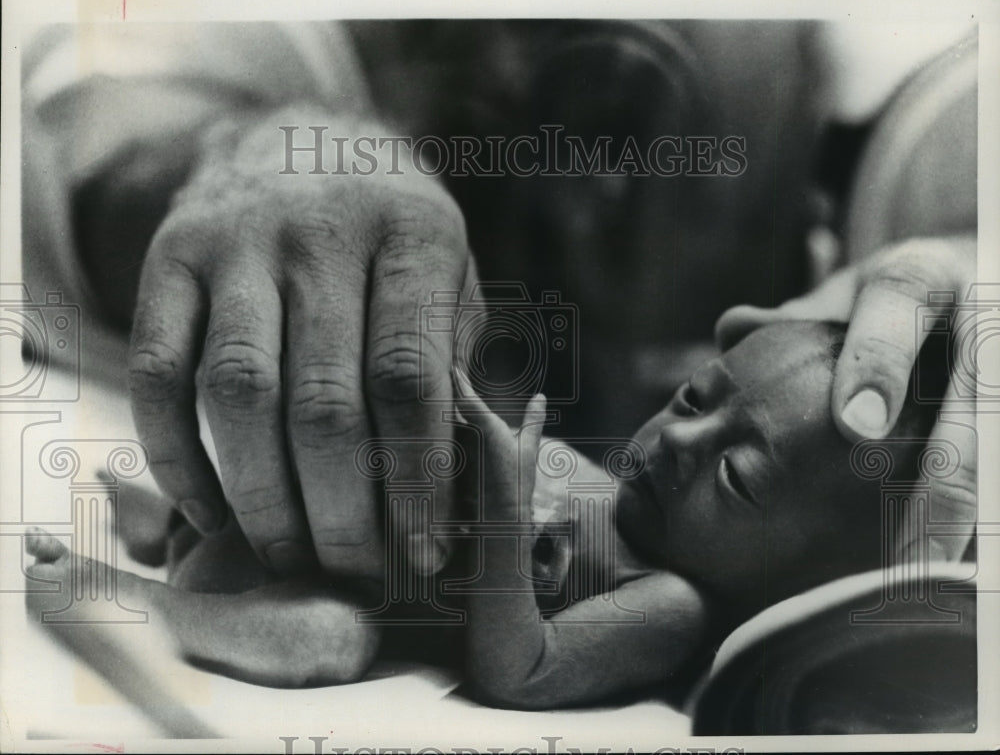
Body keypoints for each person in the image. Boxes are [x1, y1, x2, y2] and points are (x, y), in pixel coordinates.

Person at [22, 20, 978, 591]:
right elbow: (79, 122)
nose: (590, 197)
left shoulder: (925, 110)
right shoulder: (292, 28)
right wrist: (241, 154)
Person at [23, 320, 948, 700]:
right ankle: (171, 518)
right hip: (322, 526)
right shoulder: (626, 495)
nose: (677, 443)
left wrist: (504, 510)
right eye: (696, 400)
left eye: (738, 478)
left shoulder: (672, 603)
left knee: (329, 638)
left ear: (796, 584)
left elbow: (523, 668)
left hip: (323, 591)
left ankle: (139, 593)